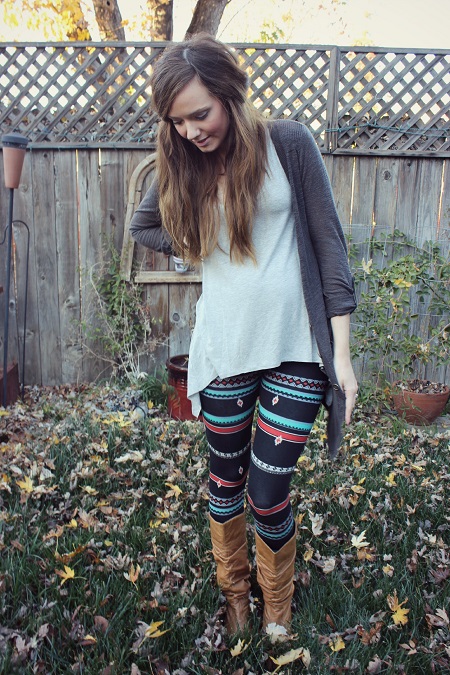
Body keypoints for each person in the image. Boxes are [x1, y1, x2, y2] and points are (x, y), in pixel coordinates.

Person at [130, 33, 358, 635]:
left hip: (296, 350)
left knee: (266, 488)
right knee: (225, 483)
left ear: (230, 93)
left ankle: (276, 606)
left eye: (199, 114)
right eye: (177, 121)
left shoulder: (287, 143)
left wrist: (343, 356)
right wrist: (191, 248)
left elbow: (331, 249)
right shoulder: (181, 160)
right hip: (225, 348)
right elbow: (144, 226)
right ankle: (236, 596)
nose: (190, 131)